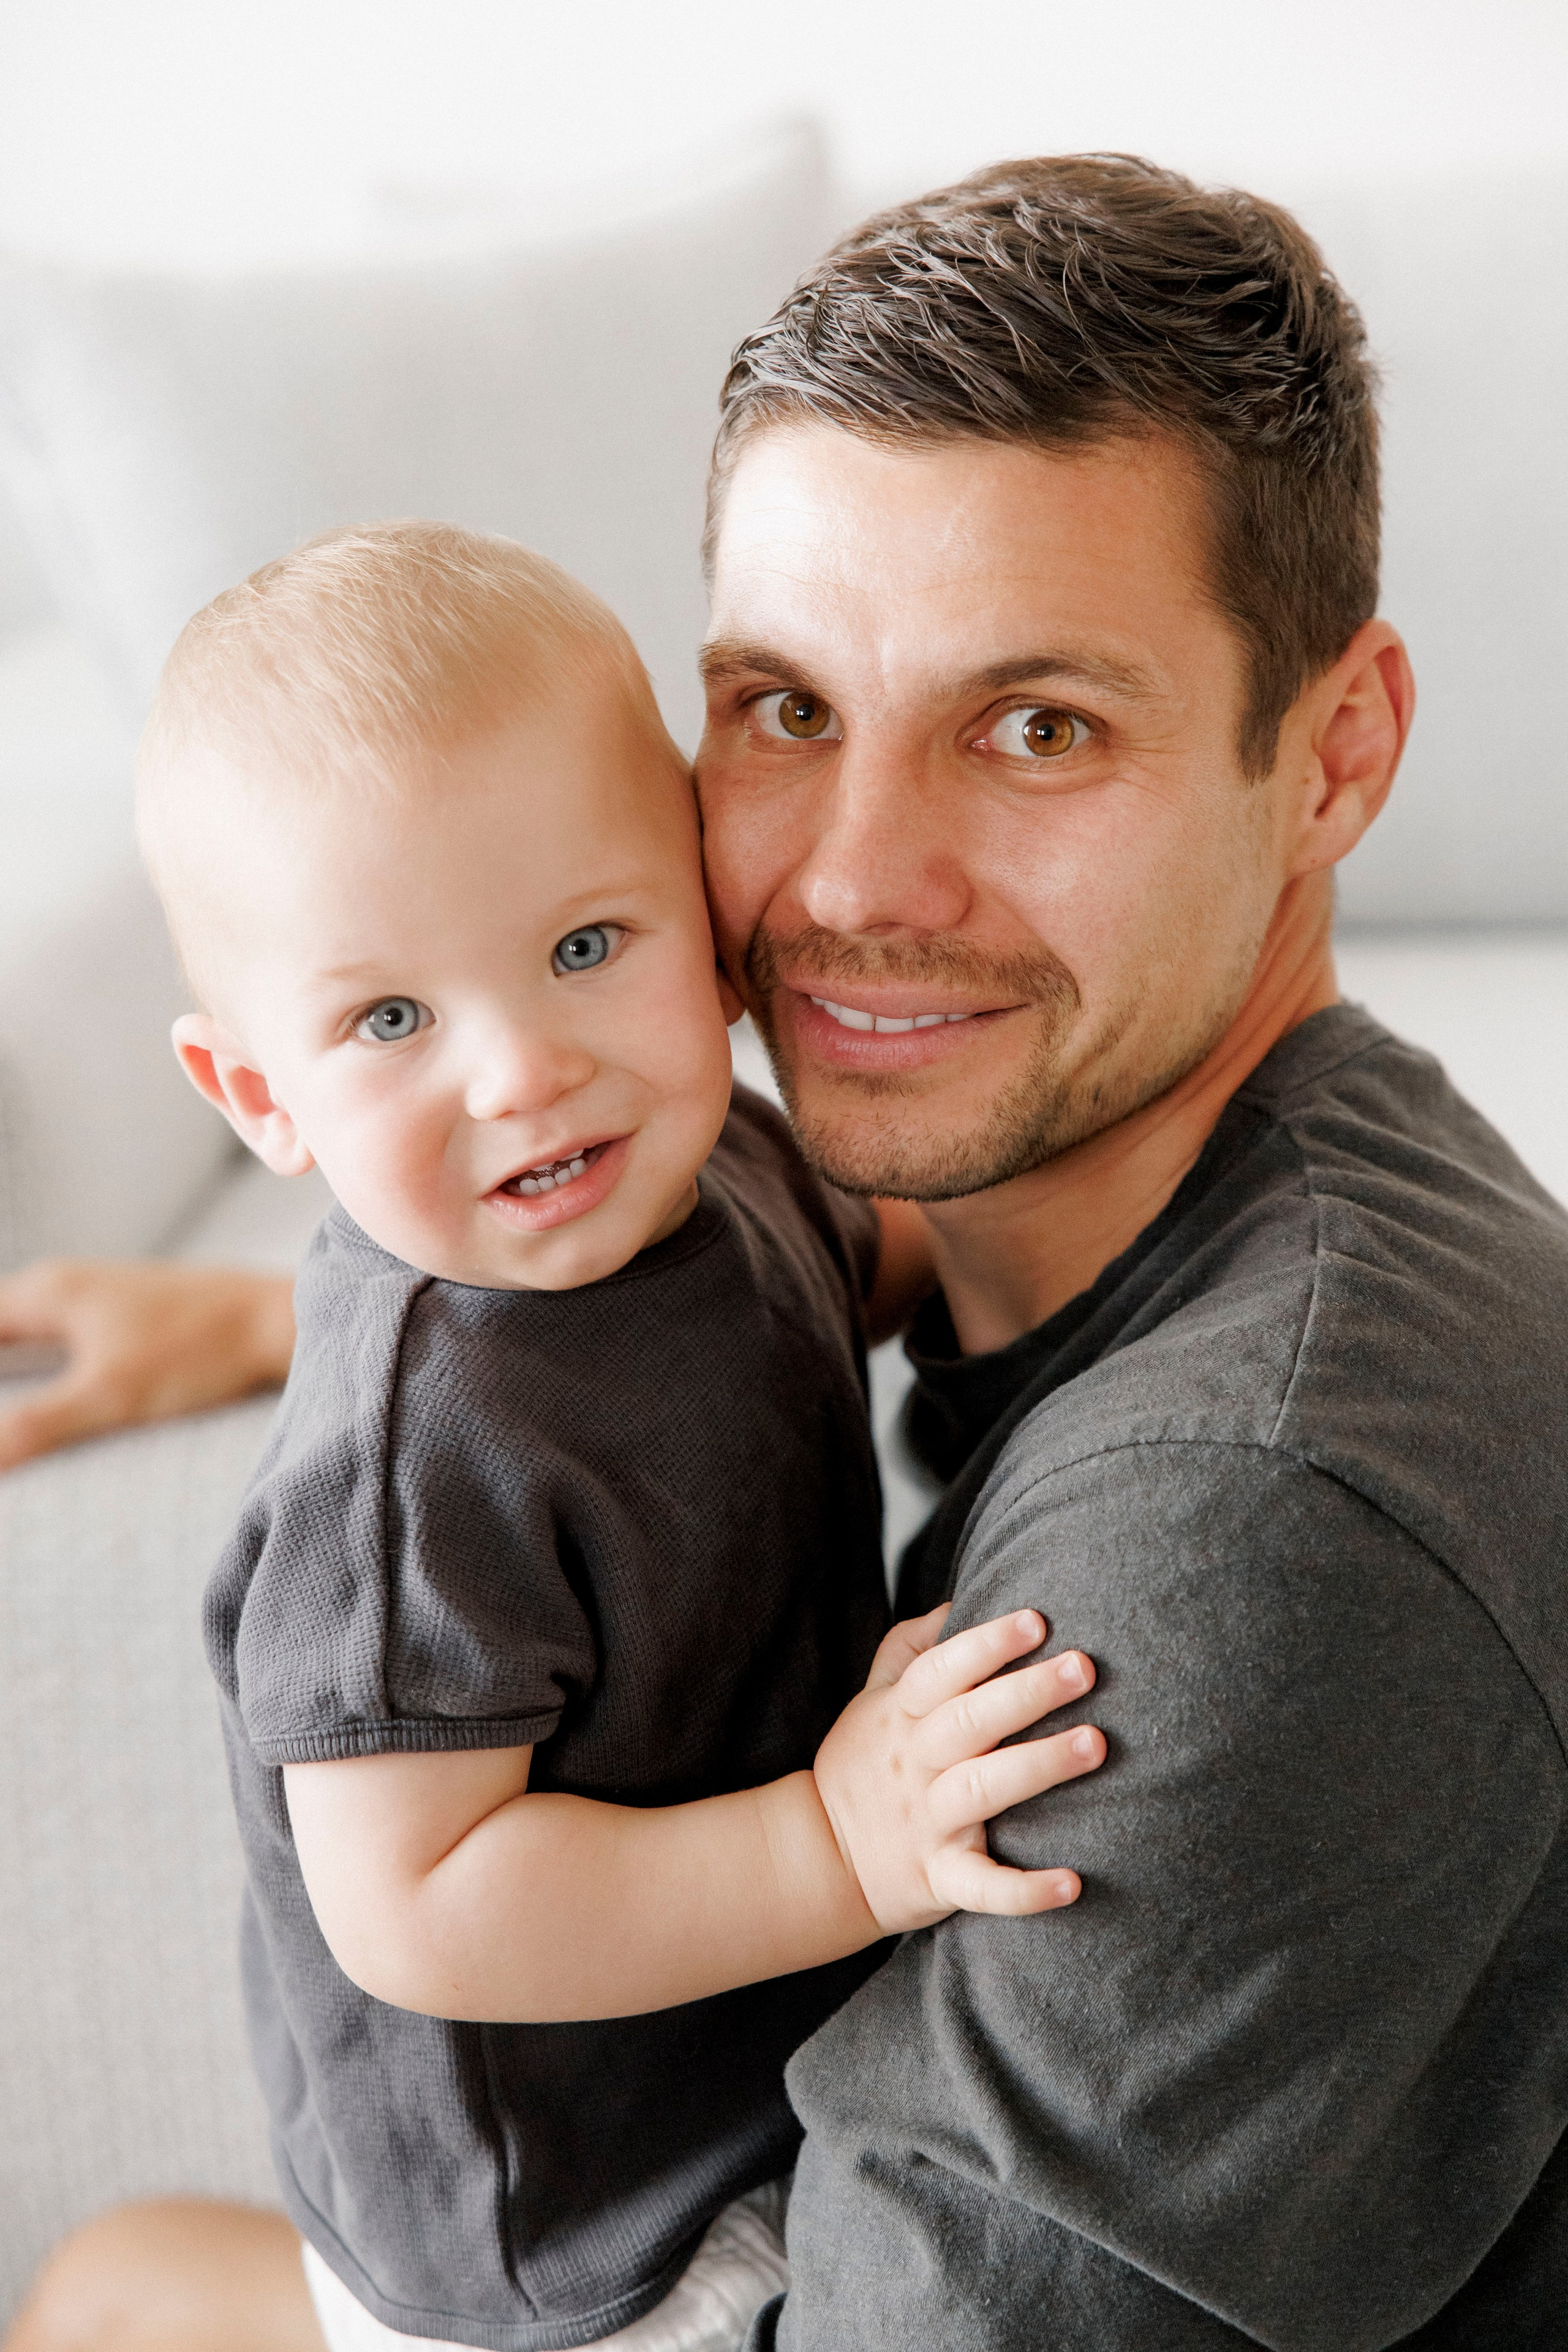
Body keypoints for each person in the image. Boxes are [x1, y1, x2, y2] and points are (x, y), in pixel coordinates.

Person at [6, 152, 1567, 2350]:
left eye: (1038, 729)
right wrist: (327, 1319)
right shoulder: (1140, 1170)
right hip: (576, 2185)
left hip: (690, 2264)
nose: (851, 881)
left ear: (1336, 757)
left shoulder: (1248, 1550)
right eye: (787, 710)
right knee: (102, 2285)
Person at [115, 518, 1108, 2352]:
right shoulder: (422, 1467)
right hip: (565, 2230)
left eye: (586, 942)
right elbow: (416, 1901)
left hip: (737, 2048)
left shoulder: (714, 1153)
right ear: (261, 1094)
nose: (522, 1070)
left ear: (710, 913)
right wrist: (835, 1845)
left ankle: (136, 2294)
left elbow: (865, 1262)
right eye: (390, 1018)